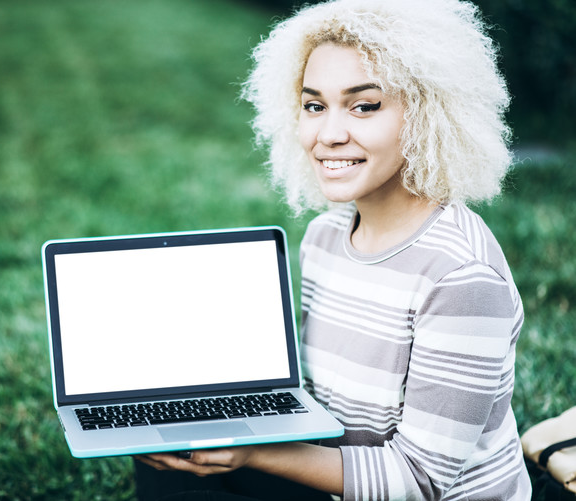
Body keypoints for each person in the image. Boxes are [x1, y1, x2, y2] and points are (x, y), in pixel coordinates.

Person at [134, 0, 532, 498]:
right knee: (170, 458)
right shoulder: (327, 235)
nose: (329, 134)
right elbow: (322, 401)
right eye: (314, 105)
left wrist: (253, 452)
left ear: (430, 114)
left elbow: (418, 483)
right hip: (341, 481)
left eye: (365, 106)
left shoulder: (461, 279)